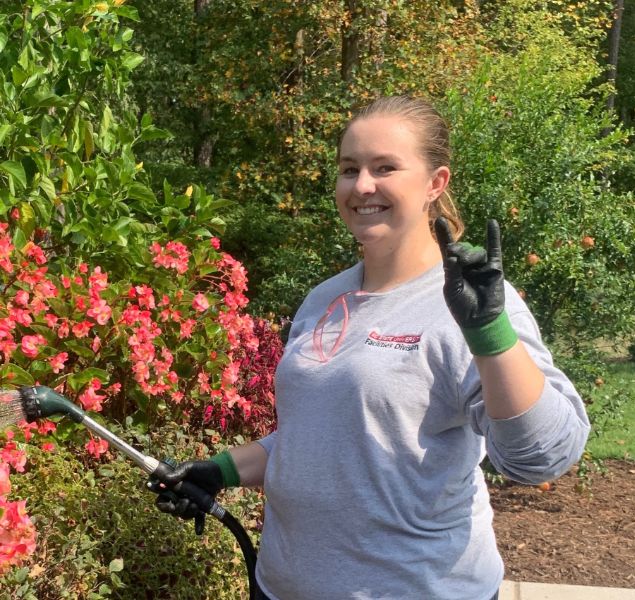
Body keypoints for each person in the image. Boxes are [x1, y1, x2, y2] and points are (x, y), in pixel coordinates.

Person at [152, 95, 590, 600]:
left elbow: (543, 457)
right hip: (280, 585)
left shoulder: (474, 303)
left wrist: (488, 333)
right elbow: (319, 436)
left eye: (385, 168)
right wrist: (220, 470)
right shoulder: (325, 298)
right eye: (349, 168)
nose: (362, 185)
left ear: (435, 183)